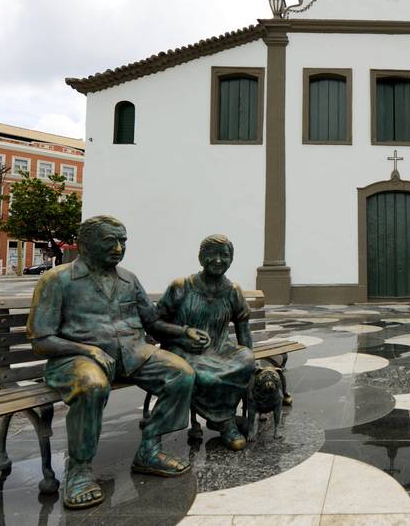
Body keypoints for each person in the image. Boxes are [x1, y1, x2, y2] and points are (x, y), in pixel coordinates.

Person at [27, 215, 200, 510]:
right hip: (75, 359)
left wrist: (184, 332)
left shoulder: (128, 279)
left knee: (181, 374)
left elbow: (152, 322)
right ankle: (79, 470)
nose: (119, 248)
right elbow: (41, 339)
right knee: (92, 385)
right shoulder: (57, 280)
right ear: (85, 244)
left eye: (123, 241)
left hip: (132, 353)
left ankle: (150, 449)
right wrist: (88, 350)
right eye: (110, 241)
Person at [153, 234, 256, 451]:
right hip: (183, 349)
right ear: (201, 258)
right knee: (206, 375)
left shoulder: (233, 291)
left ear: (231, 259)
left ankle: (222, 417)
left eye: (224, 255)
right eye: (211, 254)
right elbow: (155, 324)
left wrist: (251, 362)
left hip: (220, 348)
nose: (218, 260)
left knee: (246, 360)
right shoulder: (181, 286)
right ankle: (225, 422)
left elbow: (243, 331)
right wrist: (181, 336)